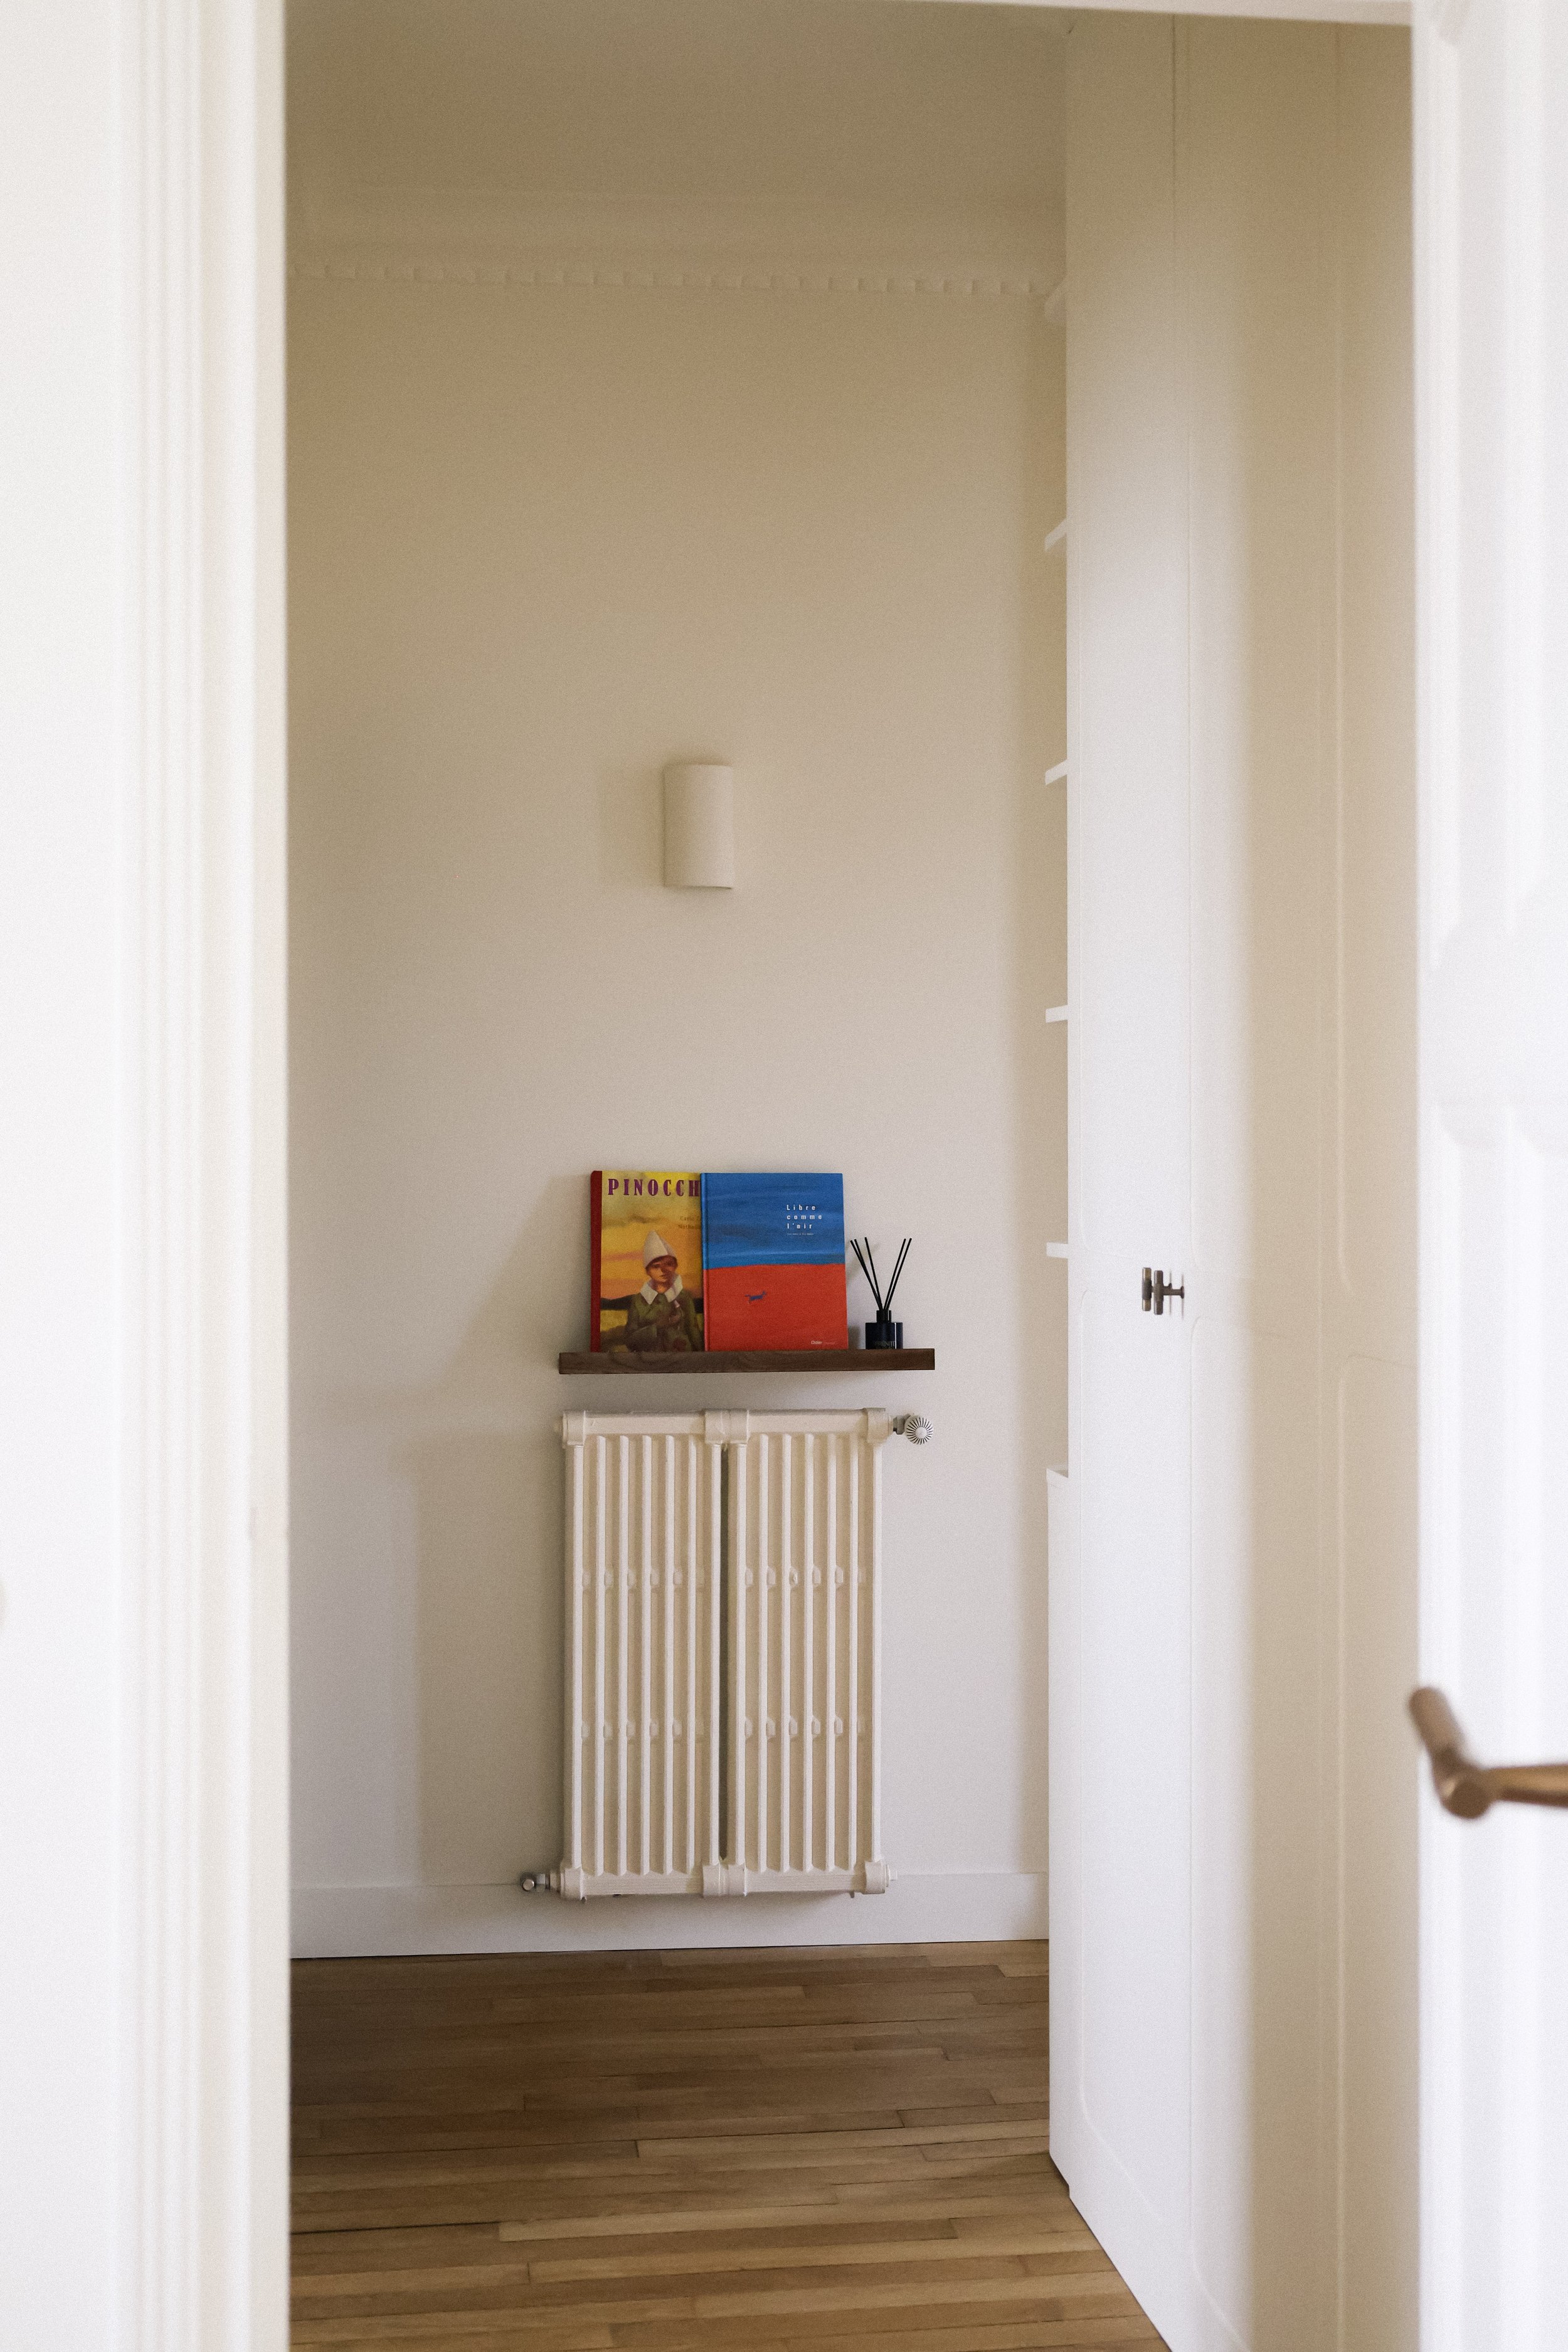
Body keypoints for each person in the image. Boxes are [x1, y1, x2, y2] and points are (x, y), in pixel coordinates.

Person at [613, 1228, 702, 1353]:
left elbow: (694, 1333)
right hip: (650, 1363)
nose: (663, 1270)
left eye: (669, 1264)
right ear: (648, 1271)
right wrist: (657, 1327)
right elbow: (630, 1340)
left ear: (675, 1266)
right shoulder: (639, 1300)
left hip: (682, 1360)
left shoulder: (684, 1297)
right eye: (656, 1266)